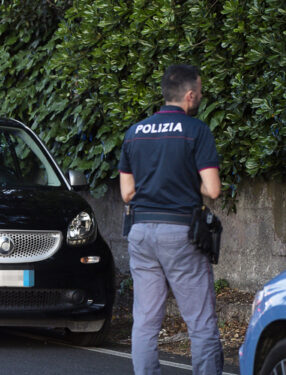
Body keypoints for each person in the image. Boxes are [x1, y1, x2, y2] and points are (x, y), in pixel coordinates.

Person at [118, 64, 223, 375]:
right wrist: (190, 183)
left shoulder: (135, 132)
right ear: (189, 96)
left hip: (140, 232)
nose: (201, 97)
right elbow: (213, 189)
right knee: (200, 321)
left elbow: (127, 193)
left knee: (146, 320)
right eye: (200, 93)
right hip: (181, 233)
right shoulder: (196, 131)